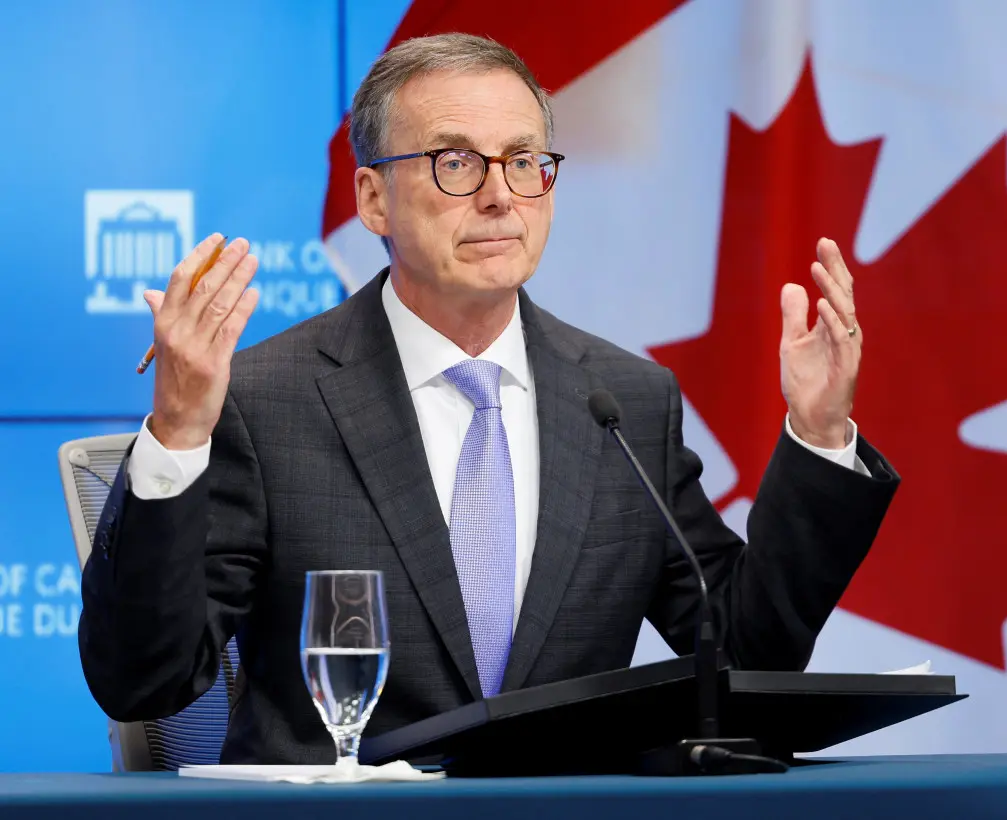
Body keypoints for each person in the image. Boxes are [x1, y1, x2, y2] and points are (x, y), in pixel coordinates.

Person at [79, 33, 899, 765]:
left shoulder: (624, 403)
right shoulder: (270, 400)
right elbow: (143, 681)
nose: (501, 195)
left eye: (524, 161)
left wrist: (818, 433)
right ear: (373, 200)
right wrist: (180, 427)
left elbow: (748, 657)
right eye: (455, 161)